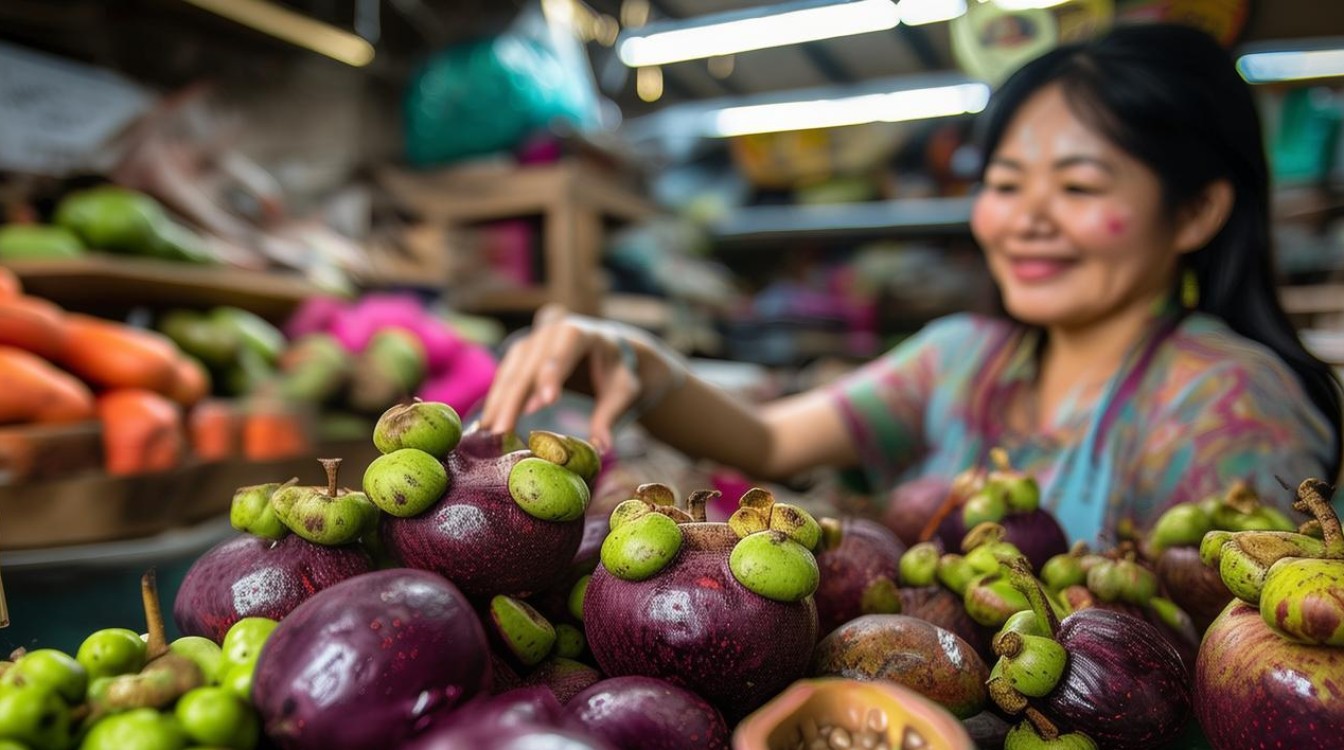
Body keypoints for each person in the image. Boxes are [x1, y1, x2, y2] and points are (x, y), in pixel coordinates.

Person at [479, 23, 1343, 545]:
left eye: (1079, 187)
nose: (1026, 219)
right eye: (1005, 184)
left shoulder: (1232, 407)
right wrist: (631, 358)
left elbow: (1245, 664)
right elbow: (769, 442)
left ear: (1194, 212)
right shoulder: (962, 358)